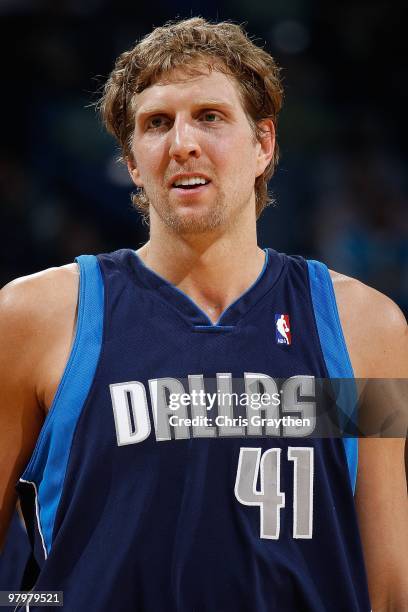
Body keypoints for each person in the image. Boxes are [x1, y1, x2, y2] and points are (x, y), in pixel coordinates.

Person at [0, 17, 407, 612]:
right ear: (134, 161)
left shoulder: (370, 329)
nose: (183, 143)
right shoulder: (35, 318)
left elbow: (389, 584)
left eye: (210, 117)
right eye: (156, 123)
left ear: (263, 144)